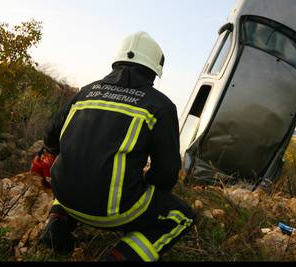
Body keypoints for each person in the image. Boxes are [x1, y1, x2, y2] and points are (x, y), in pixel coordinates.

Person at [38, 31, 196, 262]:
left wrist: (51, 154)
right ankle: (120, 256)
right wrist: (141, 191)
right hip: (112, 211)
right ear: (154, 69)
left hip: (63, 194)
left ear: (117, 62)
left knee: (76, 171)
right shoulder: (160, 106)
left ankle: (56, 225)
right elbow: (166, 174)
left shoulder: (85, 92)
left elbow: (51, 137)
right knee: (183, 216)